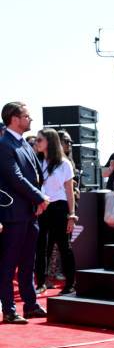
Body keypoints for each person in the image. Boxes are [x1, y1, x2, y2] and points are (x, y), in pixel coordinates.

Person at [0, 102, 49, 323]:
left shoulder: (25, 145)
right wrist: (40, 198)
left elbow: (38, 176)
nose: (30, 120)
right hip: (13, 214)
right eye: (26, 116)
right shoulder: (4, 145)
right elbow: (15, 178)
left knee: (29, 261)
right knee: (9, 263)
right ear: (14, 118)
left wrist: (40, 200)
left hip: (31, 213)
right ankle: (9, 310)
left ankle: (30, 305)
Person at [34, 128, 77, 295]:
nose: (36, 143)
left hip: (59, 207)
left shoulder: (64, 163)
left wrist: (71, 215)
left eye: (39, 140)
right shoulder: (36, 161)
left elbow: (69, 190)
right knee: (41, 247)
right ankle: (41, 283)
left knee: (64, 246)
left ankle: (70, 283)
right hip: (41, 207)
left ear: (49, 142)